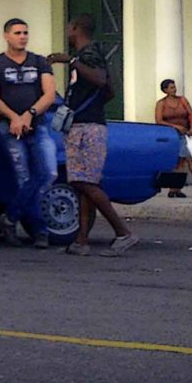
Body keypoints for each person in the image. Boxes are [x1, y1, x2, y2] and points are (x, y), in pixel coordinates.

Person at [51, 17, 138, 253]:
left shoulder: (86, 55)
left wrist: (69, 61)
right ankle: (81, 241)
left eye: (69, 28)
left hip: (86, 127)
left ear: (76, 28)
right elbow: (108, 89)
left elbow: (100, 80)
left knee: (83, 181)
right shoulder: (93, 54)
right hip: (87, 123)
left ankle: (123, 232)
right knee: (84, 185)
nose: (67, 32)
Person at [0, 18, 61, 245]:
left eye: (25, 33)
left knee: (49, 173)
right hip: (7, 126)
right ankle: (39, 231)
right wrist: (14, 118)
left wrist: (29, 114)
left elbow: (49, 94)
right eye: (17, 33)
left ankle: (9, 217)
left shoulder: (39, 62)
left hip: (37, 124)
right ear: (6, 36)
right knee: (23, 176)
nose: (22, 37)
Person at [155, 79, 192, 194]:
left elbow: (191, 114)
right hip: (171, 135)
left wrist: (191, 128)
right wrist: (175, 126)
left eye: (174, 87)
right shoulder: (161, 104)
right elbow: (159, 120)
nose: (174, 89)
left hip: (185, 133)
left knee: (186, 157)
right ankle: (174, 187)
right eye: (171, 88)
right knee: (177, 160)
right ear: (165, 90)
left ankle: (187, 183)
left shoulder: (182, 100)